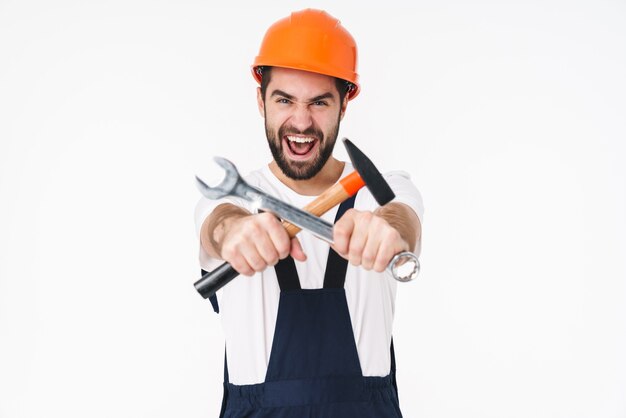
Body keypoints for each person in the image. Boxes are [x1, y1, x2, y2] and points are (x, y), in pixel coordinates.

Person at [194, 8, 423, 417]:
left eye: (319, 102)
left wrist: (389, 232)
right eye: (284, 99)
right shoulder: (233, 201)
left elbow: (402, 217)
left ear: (344, 105)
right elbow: (218, 223)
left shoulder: (380, 193)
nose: (301, 121)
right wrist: (233, 233)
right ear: (261, 100)